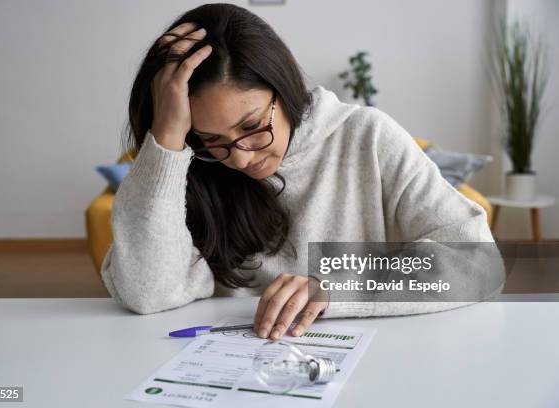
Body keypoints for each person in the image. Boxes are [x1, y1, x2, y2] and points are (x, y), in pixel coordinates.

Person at [100, 3, 505, 340]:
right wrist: (168, 139)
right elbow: (147, 292)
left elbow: (477, 261)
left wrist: (333, 287)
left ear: (283, 86)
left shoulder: (367, 136)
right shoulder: (187, 161)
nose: (239, 159)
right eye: (212, 140)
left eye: (252, 126)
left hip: (362, 364)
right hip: (222, 370)